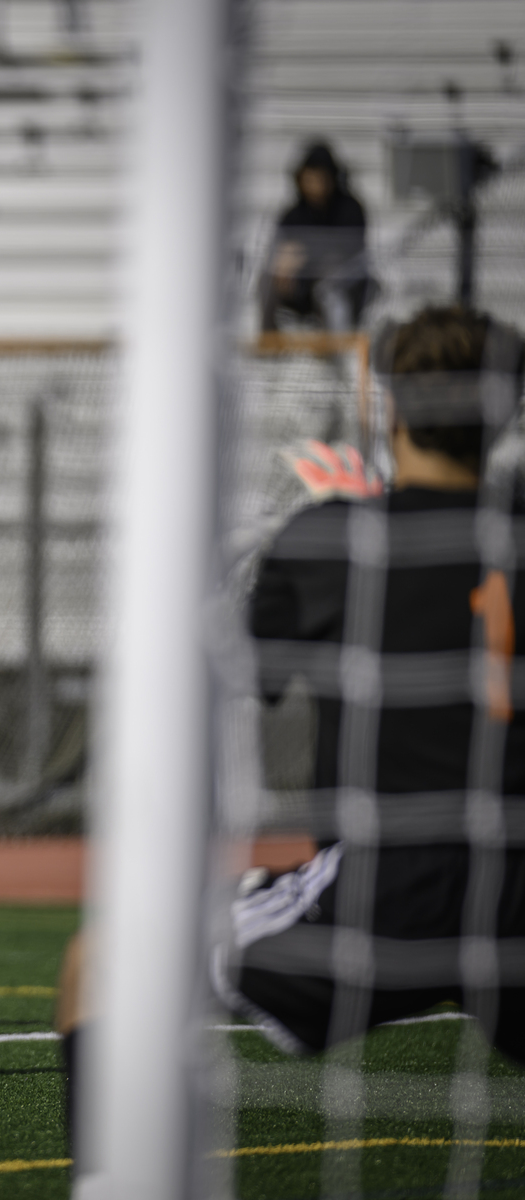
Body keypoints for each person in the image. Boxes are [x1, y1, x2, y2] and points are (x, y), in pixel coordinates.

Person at [55, 304, 525, 1153]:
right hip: (519, 881)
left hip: (387, 884)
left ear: (388, 407)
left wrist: (338, 527)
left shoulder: (333, 538)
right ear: (505, 412)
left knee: (104, 963)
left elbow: (237, 679)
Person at [261, 141, 372, 332]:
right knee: (267, 278)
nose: (314, 186)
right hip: (300, 286)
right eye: (309, 179)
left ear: (331, 178)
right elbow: (280, 250)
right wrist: (282, 263)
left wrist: (302, 255)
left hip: (344, 285)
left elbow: (351, 252)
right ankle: (268, 342)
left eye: (320, 179)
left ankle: (331, 345)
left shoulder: (350, 209)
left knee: (328, 279)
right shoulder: (293, 213)